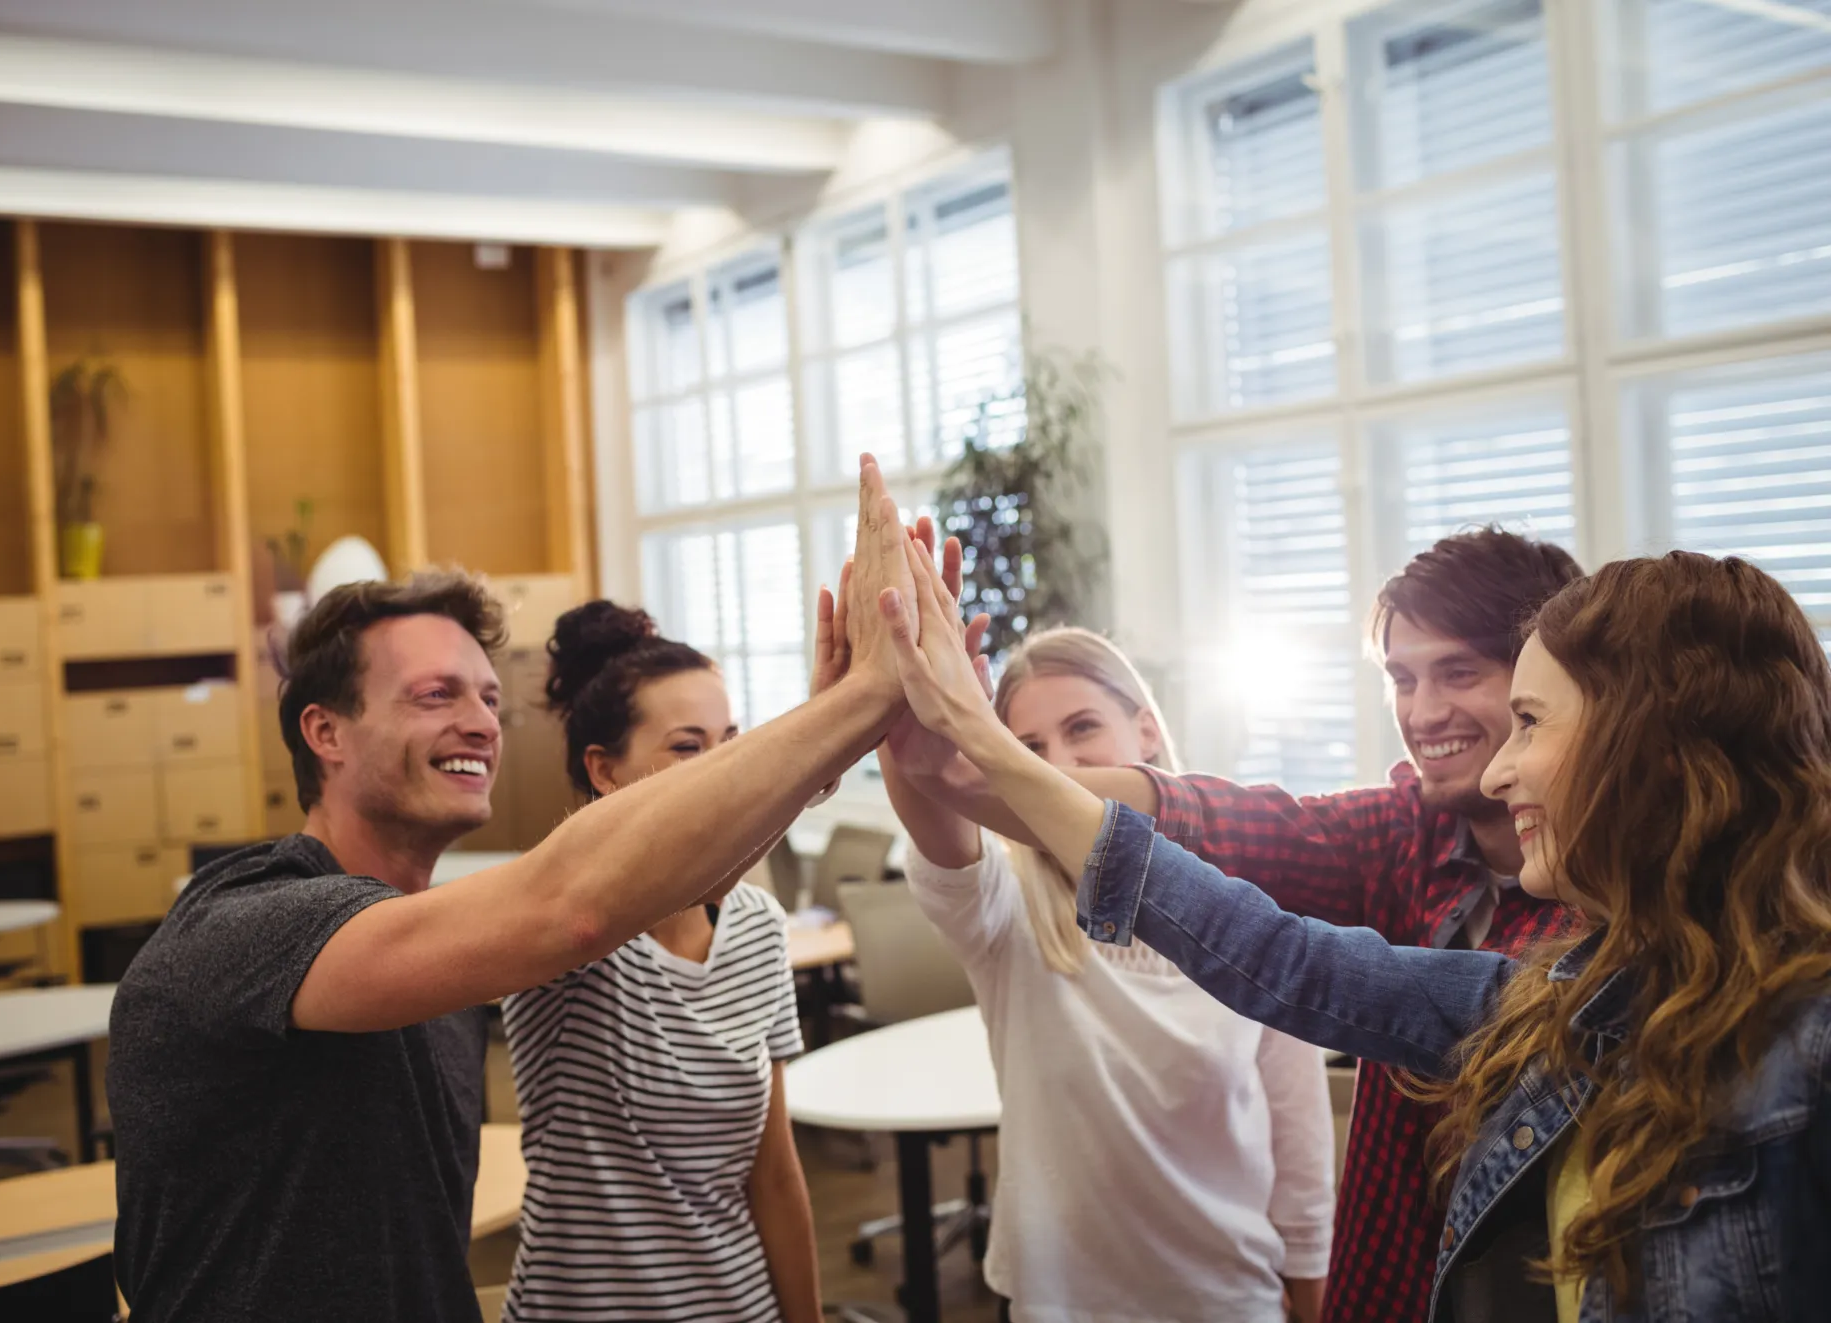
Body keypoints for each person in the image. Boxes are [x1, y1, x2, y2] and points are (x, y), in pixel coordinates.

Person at [880, 539, 1831, 1322]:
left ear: (1650, 742)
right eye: (1401, 678)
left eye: (1527, 719)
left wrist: (985, 757)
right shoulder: (1559, 994)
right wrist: (969, 764)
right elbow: (1264, 931)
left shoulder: (1799, 1039)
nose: (1495, 765)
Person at [108, 460, 919, 1323]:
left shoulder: (446, 965)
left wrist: (828, 745)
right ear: (326, 731)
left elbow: (695, 888)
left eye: (490, 698)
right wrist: (853, 707)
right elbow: (572, 907)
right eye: (436, 694)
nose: (481, 722)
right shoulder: (244, 922)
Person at [866, 616, 1336, 1323]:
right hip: (1063, 1301)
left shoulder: (1249, 910)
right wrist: (908, 720)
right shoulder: (1005, 908)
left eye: (1082, 727)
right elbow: (937, 825)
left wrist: (1312, 1290)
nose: (1058, 764)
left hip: (1230, 1295)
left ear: (1146, 731)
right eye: (1027, 749)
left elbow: (1299, 1142)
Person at [500, 601, 819, 1323]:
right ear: (604, 771)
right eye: (686, 747)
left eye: (731, 741)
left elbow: (774, 1176)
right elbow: (596, 895)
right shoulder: (562, 928)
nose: (724, 769)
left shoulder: (757, 927)